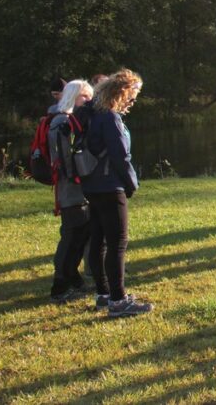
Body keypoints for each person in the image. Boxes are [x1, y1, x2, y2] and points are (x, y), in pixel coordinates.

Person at [83, 69, 152, 317]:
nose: (134, 101)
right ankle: (118, 300)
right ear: (121, 91)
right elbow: (121, 156)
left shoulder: (93, 114)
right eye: (133, 95)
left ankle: (103, 294)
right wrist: (131, 183)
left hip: (92, 185)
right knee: (117, 243)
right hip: (110, 186)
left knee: (99, 241)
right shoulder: (110, 118)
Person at [47, 79, 94, 302]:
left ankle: (73, 280)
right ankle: (60, 287)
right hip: (70, 189)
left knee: (81, 235)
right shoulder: (61, 122)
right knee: (71, 236)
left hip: (79, 189)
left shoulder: (72, 120)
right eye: (85, 96)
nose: (89, 101)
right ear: (73, 96)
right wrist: (80, 176)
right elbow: (64, 160)